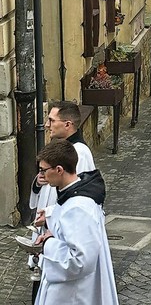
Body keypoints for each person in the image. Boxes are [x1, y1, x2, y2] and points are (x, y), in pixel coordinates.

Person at [33, 140, 118, 305]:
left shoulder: (79, 207)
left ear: (59, 170)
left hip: (73, 293)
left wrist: (48, 244)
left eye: (43, 170)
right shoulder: (72, 193)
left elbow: (80, 260)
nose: (41, 175)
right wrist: (51, 224)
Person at [28, 101, 96, 302]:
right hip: (48, 228)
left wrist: (51, 217)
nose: (47, 125)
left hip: (60, 236)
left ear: (67, 124)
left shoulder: (80, 153)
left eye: (51, 120)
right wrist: (39, 182)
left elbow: (78, 198)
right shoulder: (58, 148)